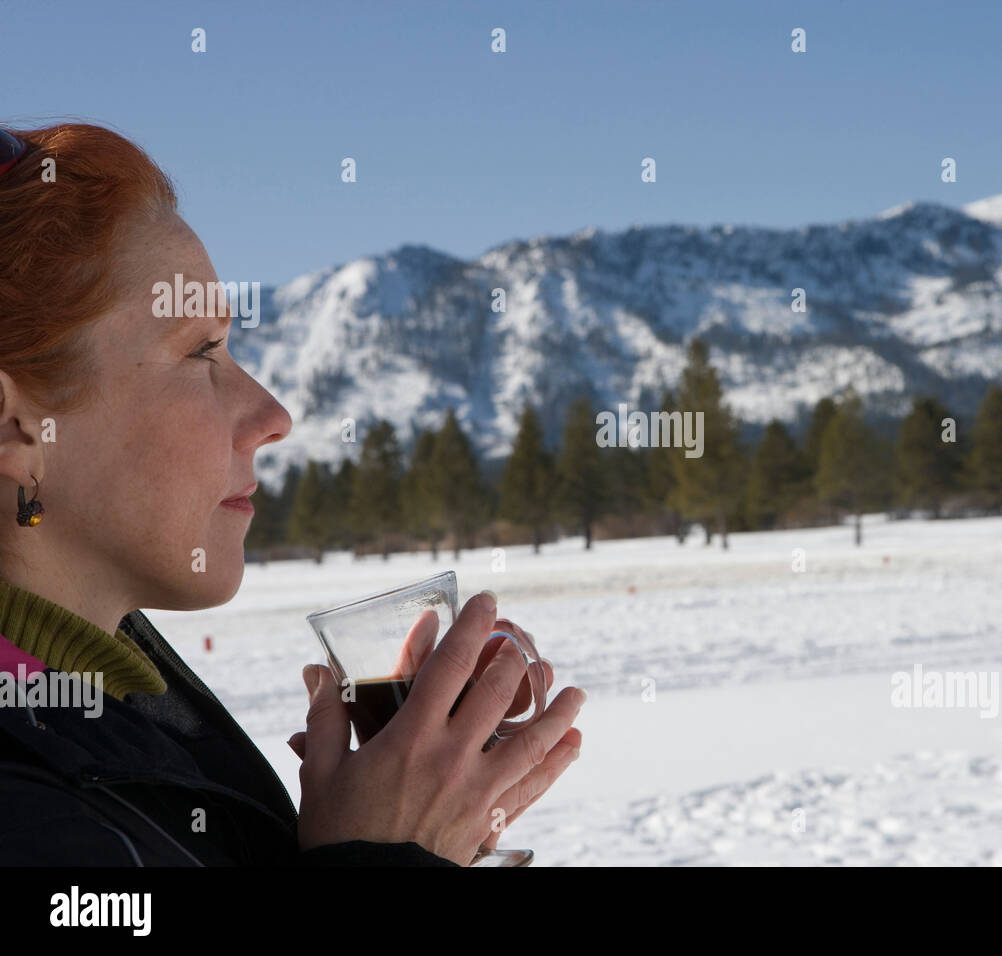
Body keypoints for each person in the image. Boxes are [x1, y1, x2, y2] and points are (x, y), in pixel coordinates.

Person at [0, 123, 584, 866]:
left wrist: (400, 826)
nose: (274, 416)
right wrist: (389, 853)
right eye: (201, 352)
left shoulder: (98, 707)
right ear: (17, 427)